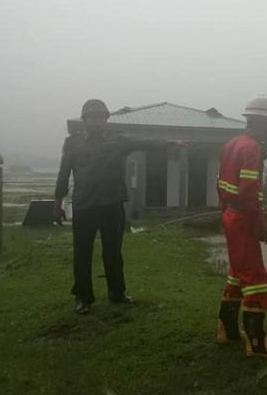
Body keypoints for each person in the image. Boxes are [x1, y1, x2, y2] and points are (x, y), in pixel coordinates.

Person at [55, 99, 177, 315]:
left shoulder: (118, 141)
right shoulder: (73, 143)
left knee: (113, 252)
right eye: (92, 117)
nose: (96, 121)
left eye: (101, 117)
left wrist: (169, 142)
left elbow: (143, 143)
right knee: (82, 253)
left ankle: (117, 292)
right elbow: (64, 174)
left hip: (111, 205)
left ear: (106, 120)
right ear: (84, 120)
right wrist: (58, 203)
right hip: (84, 206)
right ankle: (83, 297)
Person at [214, 96, 267, 360]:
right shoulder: (252, 148)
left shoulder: (231, 144)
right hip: (244, 219)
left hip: (231, 215)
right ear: (265, 122)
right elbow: (249, 192)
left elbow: (221, 185)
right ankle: (257, 344)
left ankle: (228, 330)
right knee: (256, 280)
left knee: (237, 275)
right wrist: (259, 225)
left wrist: (228, 213)